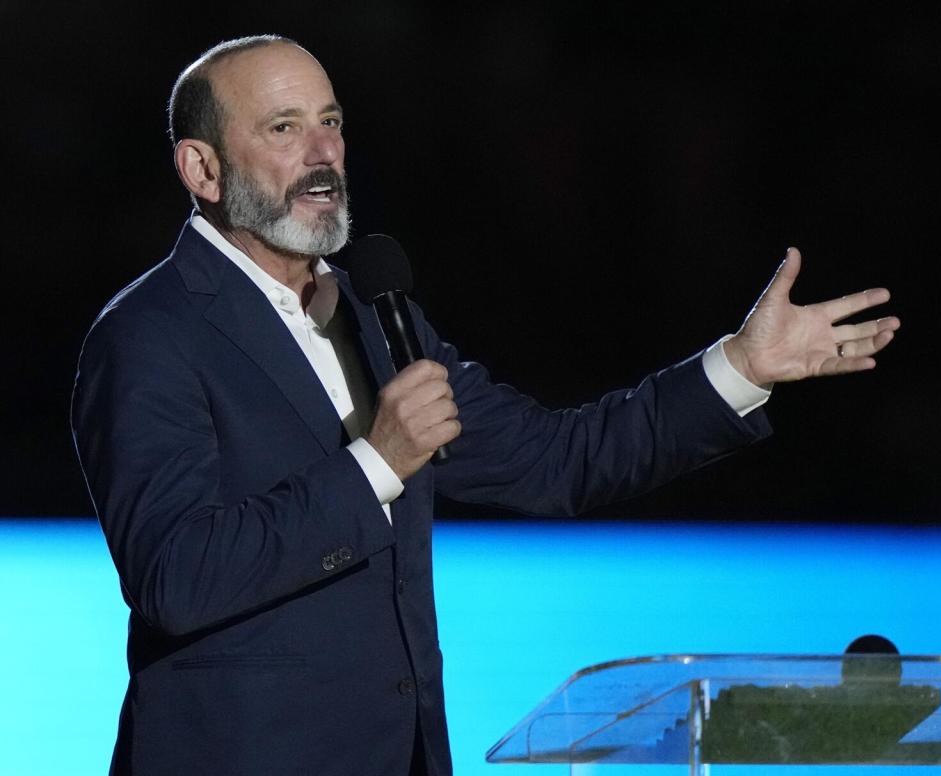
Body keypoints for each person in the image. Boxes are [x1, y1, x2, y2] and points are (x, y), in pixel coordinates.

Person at [71, 35, 899, 776]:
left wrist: (739, 367)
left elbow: (555, 462)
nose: (324, 154)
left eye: (331, 122)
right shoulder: (149, 335)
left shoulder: (374, 315)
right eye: (283, 130)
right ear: (202, 168)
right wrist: (379, 463)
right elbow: (177, 576)